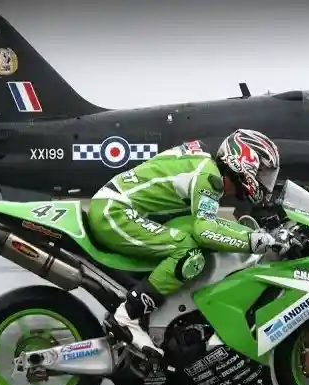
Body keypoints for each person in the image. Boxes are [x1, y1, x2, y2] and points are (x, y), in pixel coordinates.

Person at [86, 129, 293, 361]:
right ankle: (128, 316)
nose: (265, 181)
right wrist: (253, 242)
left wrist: (254, 235)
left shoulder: (206, 167)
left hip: (115, 207)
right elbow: (205, 232)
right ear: (245, 161)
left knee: (191, 236)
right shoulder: (209, 177)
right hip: (113, 212)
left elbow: (207, 224)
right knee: (189, 253)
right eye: (263, 172)